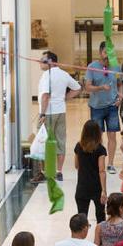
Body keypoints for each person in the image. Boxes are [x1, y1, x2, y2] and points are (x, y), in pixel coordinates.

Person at [36, 50, 82, 183]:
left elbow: (45, 96)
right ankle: (59, 171)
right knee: (60, 141)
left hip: (48, 113)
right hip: (61, 111)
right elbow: (78, 88)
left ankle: (45, 172)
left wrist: (42, 113)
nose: (40, 62)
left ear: (51, 62)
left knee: (44, 141)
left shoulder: (47, 75)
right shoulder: (64, 74)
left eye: (43, 60)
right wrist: (64, 98)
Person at [85, 41, 122, 175]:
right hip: (96, 107)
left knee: (112, 135)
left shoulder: (116, 67)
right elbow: (87, 87)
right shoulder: (92, 67)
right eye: (106, 52)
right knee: (97, 136)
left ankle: (110, 164)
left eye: (111, 52)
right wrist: (100, 88)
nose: (108, 55)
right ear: (100, 53)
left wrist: (118, 98)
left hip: (112, 106)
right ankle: (97, 162)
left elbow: (120, 84)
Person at [74, 120, 108, 223]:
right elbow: (101, 170)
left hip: (82, 186)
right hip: (96, 187)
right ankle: (100, 238)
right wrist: (104, 190)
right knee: (100, 216)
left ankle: (80, 237)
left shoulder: (79, 146)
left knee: (82, 217)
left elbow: (76, 166)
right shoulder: (100, 149)